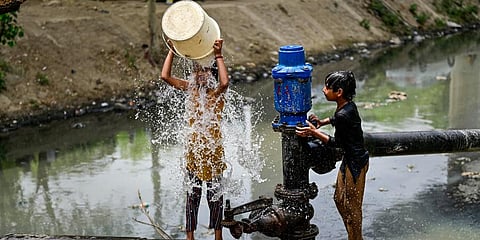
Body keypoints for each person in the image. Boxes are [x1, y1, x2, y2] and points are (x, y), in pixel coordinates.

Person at [160, 39, 229, 240]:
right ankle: (190, 236)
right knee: (192, 195)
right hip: (193, 152)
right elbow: (165, 76)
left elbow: (225, 82)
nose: (200, 74)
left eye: (205, 70)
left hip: (213, 152)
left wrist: (218, 55)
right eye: (196, 70)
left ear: (212, 74)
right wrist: (172, 51)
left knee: (215, 196)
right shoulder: (189, 90)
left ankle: (218, 236)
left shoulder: (216, 94)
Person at [296, 71, 369, 240]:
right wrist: (322, 122)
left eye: (327, 87)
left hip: (356, 163)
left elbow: (337, 143)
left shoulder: (345, 114)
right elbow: (337, 118)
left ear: (339, 92)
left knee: (353, 207)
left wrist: (314, 132)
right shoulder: (347, 106)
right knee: (338, 199)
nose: (323, 90)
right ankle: (352, 232)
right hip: (350, 159)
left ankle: (355, 237)